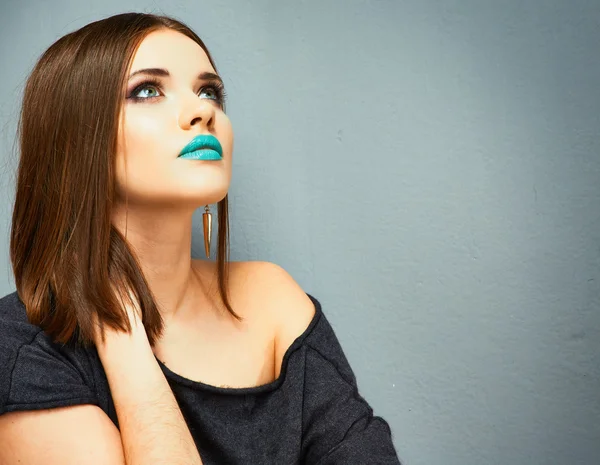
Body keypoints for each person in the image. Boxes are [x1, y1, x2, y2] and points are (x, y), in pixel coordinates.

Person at [0, 11, 401, 465]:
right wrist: (127, 349)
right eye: (148, 90)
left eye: (209, 90)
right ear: (73, 143)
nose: (202, 111)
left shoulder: (273, 301)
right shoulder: (19, 348)